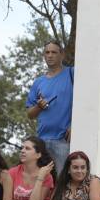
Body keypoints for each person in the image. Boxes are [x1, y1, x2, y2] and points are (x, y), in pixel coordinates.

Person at [26, 41, 74, 174]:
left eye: (54, 52)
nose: (50, 55)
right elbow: (30, 114)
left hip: (63, 141)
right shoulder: (39, 82)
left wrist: (75, 125)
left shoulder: (72, 74)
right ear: (43, 55)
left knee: (62, 182)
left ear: (62, 55)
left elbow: (86, 101)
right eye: (47, 52)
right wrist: (39, 106)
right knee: (43, 183)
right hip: (42, 141)